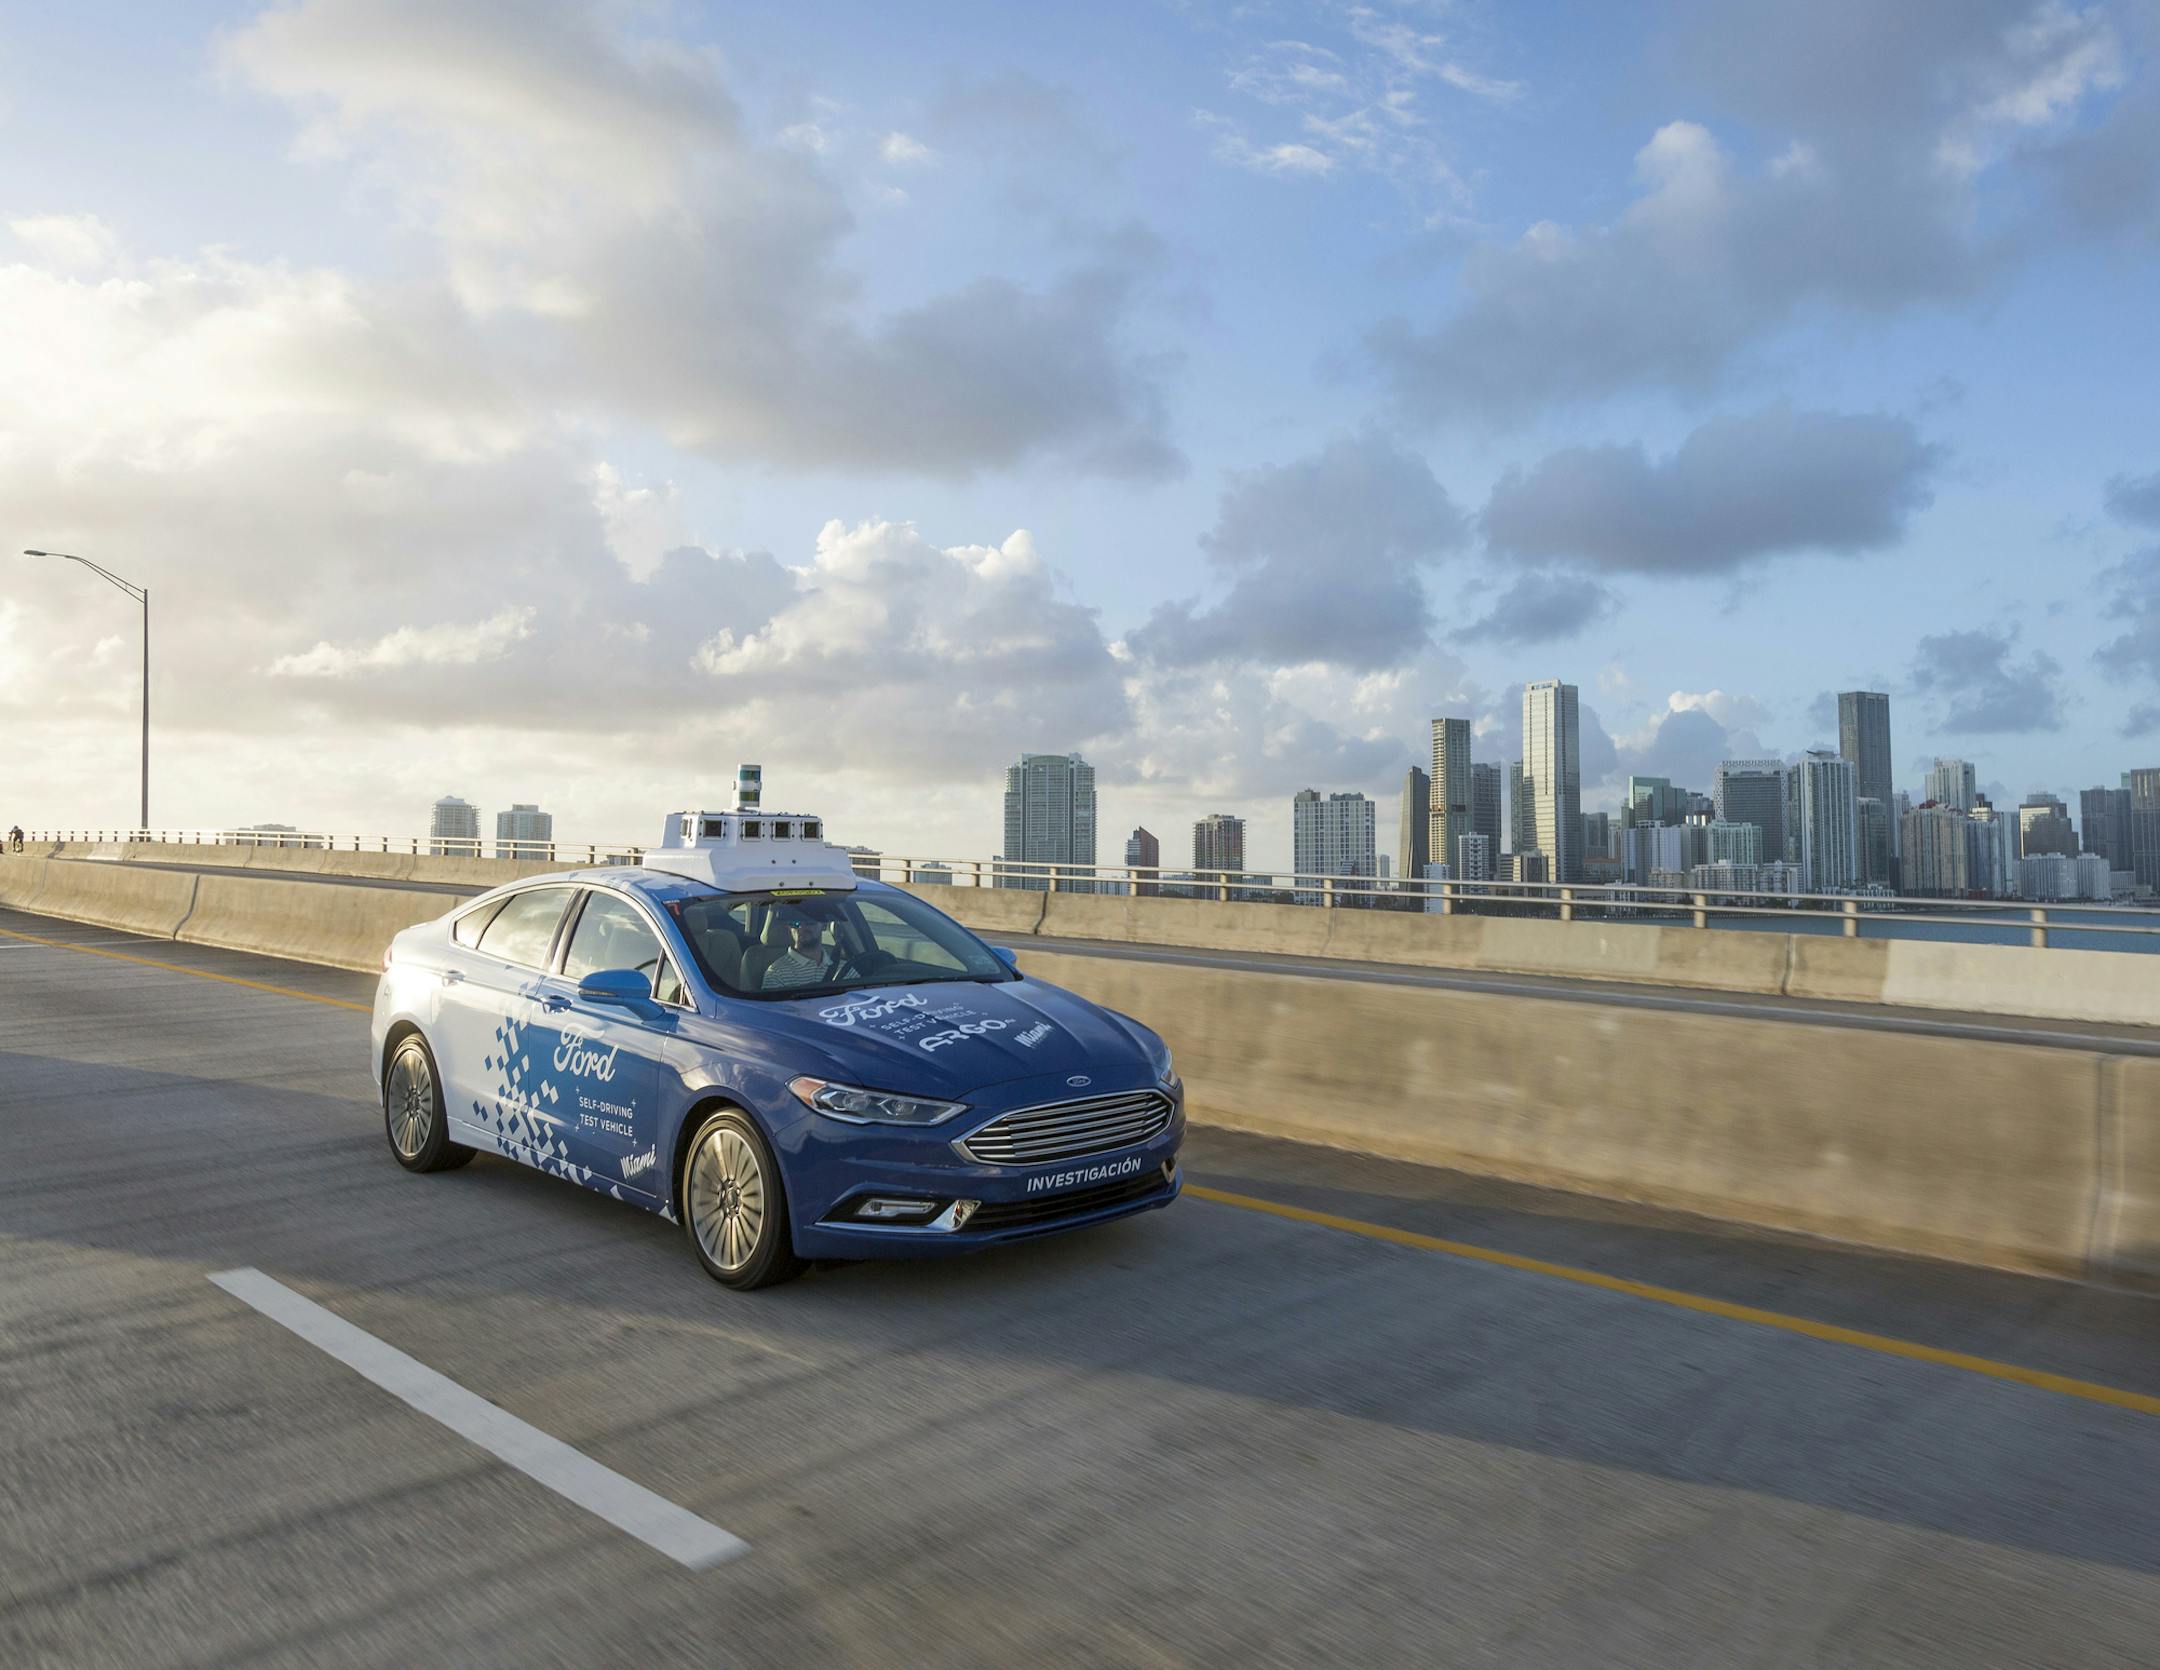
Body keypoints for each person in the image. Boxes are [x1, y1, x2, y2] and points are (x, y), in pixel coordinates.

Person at [760, 910, 834, 991]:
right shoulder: (777, 973)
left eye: (809, 922)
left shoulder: (841, 966)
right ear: (789, 927)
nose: (801, 928)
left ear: (824, 925)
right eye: (794, 923)